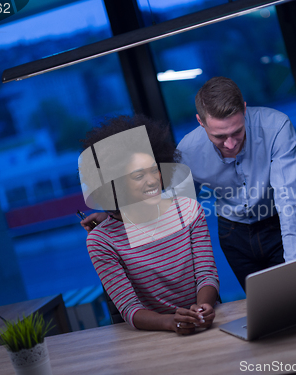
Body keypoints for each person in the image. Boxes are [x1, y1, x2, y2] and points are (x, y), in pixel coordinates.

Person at [78, 115, 219, 334]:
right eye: (138, 175)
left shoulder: (188, 210)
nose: (152, 180)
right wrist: (170, 322)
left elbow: (206, 274)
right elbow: (129, 308)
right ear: (116, 184)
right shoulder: (101, 241)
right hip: (154, 337)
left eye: (154, 169)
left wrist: (204, 308)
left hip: (204, 325)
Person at [177, 77, 296, 290]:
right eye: (219, 136)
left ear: (245, 110)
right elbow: (181, 213)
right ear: (200, 122)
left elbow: (290, 202)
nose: (230, 144)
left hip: (276, 222)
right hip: (232, 234)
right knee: (264, 307)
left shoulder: (276, 126)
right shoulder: (188, 150)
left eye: (237, 132)